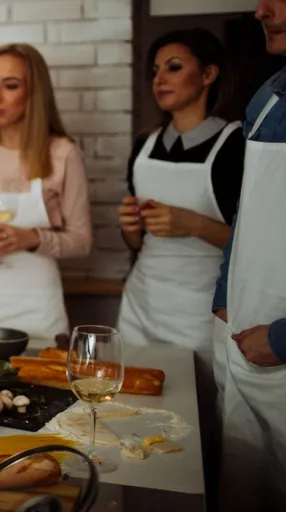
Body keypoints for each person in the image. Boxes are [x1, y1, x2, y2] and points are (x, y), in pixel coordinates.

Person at [116, 28, 243, 508]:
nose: (160, 80)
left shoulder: (234, 146)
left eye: (174, 67)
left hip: (199, 310)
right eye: (155, 71)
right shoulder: (144, 145)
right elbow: (136, 241)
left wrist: (194, 223)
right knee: (127, 420)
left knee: (188, 433)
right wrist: (129, 226)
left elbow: (255, 246)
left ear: (208, 74)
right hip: (142, 302)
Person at [0, 43, 92, 339]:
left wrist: (32, 238)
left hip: (36, 304)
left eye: (10, 86)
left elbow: (83, 240)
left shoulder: (62, 153)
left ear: (34, 93)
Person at [214, 1, 286, 509]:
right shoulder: (268, 95)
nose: (262, 9)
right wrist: (225, 296)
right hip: (242, 342)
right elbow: (248, 210)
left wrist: (282, 338)